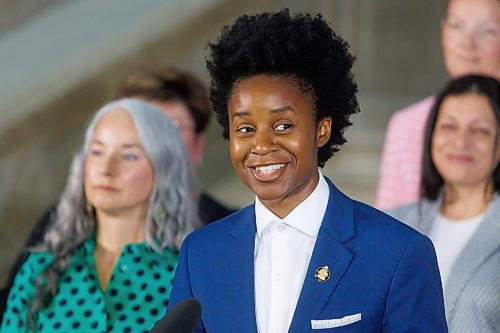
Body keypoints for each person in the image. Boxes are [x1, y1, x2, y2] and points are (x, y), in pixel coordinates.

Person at [167, 9, 448, 332]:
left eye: (283, 125)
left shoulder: (398, 252)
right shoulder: (200, 252)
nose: (261, 145)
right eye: (245, 129)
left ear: (321, 130)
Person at [0, 66, 235, 321]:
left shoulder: (208, 258)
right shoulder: (48, 258)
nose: (107, 169)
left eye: (131, 153)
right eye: (98, 150)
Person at [388, 75, 500, 333]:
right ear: (431, 136)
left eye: (480, 130)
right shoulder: (392, 224)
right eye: (449, 126)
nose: (461, 142)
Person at [376, 0, 500, 209]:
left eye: (487, 31)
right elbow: (389, 225)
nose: (467, 43)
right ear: (443, 30)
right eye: (456, 26)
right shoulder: (406, 124)